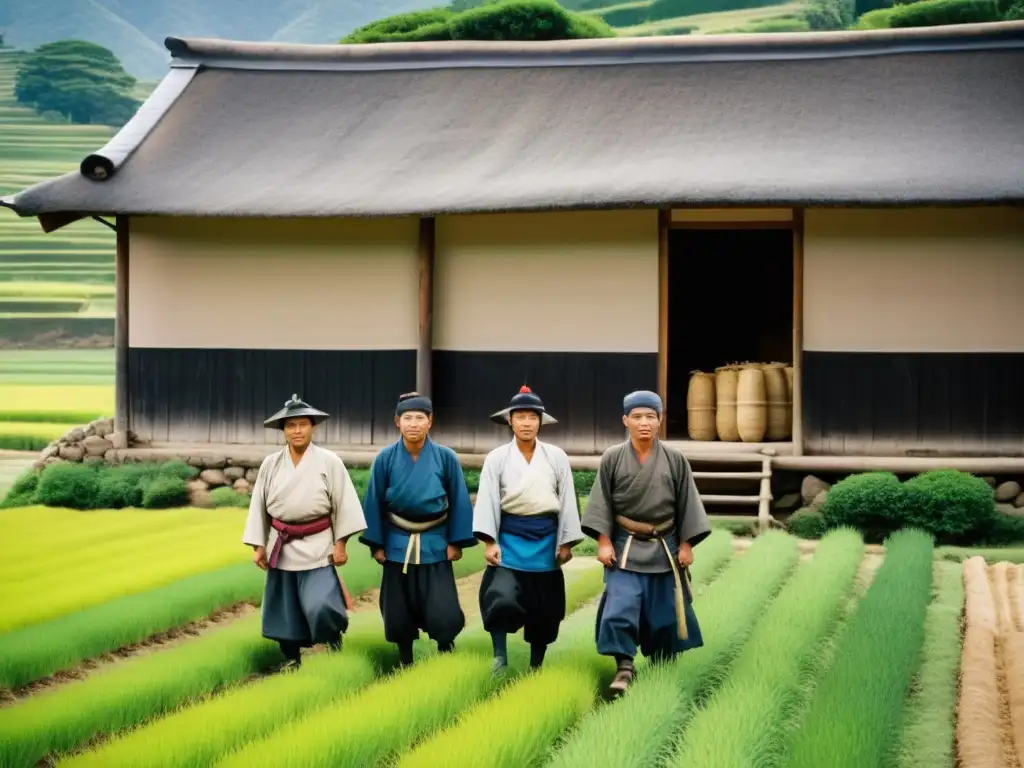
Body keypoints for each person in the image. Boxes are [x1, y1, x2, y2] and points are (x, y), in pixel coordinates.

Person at [581, 389, 711, 695]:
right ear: (625, 420)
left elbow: (686, 503)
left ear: (660, 420)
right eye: (637, 417)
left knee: (665, 613)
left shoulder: (675, 459)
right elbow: (601, 502)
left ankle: (663, 670)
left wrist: (687, 544)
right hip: (625, 546)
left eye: (650, 417)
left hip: (664, 546)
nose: (644, 423)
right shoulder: (613, 457)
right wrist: (603, 541)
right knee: (621, 607)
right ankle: (624, 667)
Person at [242, 394, 367, 670]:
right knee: (285, 609)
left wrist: (341, 544)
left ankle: (332, 640)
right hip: (282, 545)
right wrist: (258, 546)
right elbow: (259, 507)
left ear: (313, 427)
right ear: (283, 430)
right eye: (291, 426)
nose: (297, 430)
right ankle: (292, 657)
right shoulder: (270, 465)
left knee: (321, 603)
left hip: (319, 544)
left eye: (302, 424)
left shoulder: (329, 461)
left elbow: (344, 503)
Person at [359, 392, 477, 666]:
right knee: (398, 608)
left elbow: (459, 498)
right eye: (408, 418)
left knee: (443, 607)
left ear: (430, 422)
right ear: (397, 422)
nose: (414, 424)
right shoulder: (385, 458)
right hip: (396, 540)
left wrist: (456, 541)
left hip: (435, 540)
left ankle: (445, 648)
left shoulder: (445, 457)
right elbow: (374, 499)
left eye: (420, 418)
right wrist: (377, 544)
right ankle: (405, 658)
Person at [473, 386, 584, 675]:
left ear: (540, 421)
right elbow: (487, 499)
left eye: (532, 417)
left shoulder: (556, 457)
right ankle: (499, 655)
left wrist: (566, 542)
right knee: (502, 598)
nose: (526, 423)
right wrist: (490, 541)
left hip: (546, 542)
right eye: (520, 417)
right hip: (509, 541)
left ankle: (537, 664)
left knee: (545, 609)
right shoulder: (496, 457)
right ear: (510, 421)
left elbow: (567, 498)